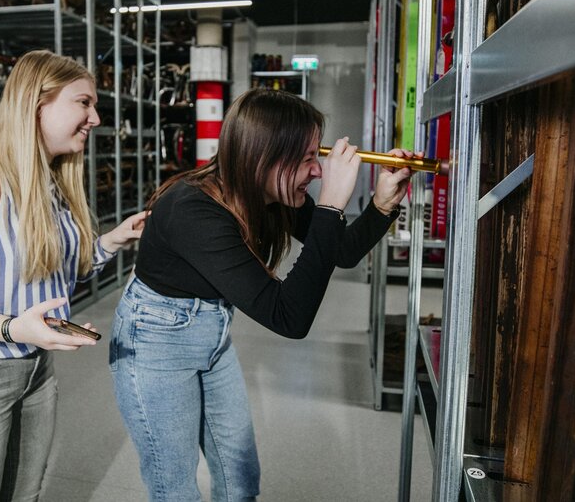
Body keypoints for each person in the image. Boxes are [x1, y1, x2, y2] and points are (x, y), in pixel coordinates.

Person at [109, 88, 414, 501]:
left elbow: (338, 251)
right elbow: (289, 317)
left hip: (211, 332)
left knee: (240, 477)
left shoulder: (269, 190)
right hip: (155, 340)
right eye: (308, 158)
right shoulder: (193, 211)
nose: (318, 170)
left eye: (316, 154)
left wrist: (381, 205)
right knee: (175, 487)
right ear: (263, 157)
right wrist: (330, 208)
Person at [0, 50, 146, 501]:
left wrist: (111, 242)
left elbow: (45, 273)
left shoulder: (47, 178)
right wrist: (14, 326)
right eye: (84, 103)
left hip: (33, 367)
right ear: (38, 102)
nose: (95, 117)